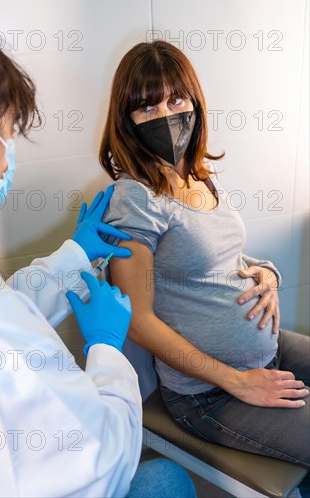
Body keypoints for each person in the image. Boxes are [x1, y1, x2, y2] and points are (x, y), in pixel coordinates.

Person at [0, 14, 197, 498]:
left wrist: (73, 255)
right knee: (165, 480)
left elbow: (6, 308)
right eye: (7, 133)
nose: (7, 155)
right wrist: (104, 348)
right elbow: (101, 457)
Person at [99, 40, 310, 473]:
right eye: (147, 107)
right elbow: (138, 321)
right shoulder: (134, 198)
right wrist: (238, 382)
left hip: (268, 352)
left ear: (195, 101)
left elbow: (222, 257)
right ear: (126, 120)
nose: (166, 116)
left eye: (176, 99)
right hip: (208, 393)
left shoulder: (199, 175)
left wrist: (268, 274)